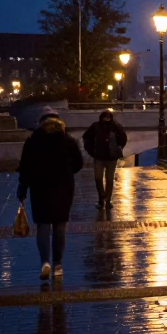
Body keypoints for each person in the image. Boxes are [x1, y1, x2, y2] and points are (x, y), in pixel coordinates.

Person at [17, 109, 84, 280]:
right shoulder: (68, 140)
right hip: (63, 188)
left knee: (43, 226)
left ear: (41, 122)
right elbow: (79, 163)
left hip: (40, 188)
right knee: (60, 226)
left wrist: (22, 190)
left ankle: (44, 261)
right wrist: (66, 173)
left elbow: (25, 168)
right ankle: (58, 264)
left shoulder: (33, 141)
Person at [81, 109, 127, 209]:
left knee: (109, 179)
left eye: (108, 117)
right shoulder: (95, 126)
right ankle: (102, 198)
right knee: (98, 178)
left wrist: (118, 148)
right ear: (102, 117)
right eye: (105, 117)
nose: (107, 119)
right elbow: (86, 137)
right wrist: (91, 151)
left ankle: (107, 200)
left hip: (111, 157)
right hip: (99, 156)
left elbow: (123, 138)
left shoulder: (116, 126)